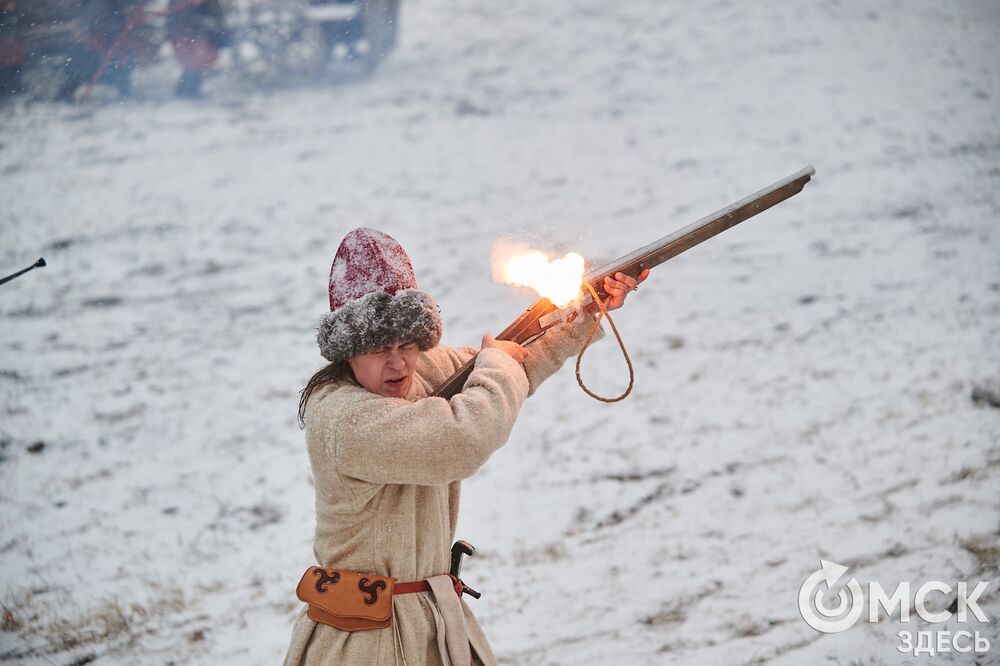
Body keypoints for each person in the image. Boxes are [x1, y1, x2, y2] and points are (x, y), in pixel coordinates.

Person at [283, 227, 649, 665]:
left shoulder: (419, 374)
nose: (398, 362)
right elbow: (468, 433)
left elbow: (517, 362)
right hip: (363, 642)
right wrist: (496, 362)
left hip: (434, 623)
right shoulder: (343, 418)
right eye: (380, 349)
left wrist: (584, 313)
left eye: (406, 345)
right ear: (349, 351)